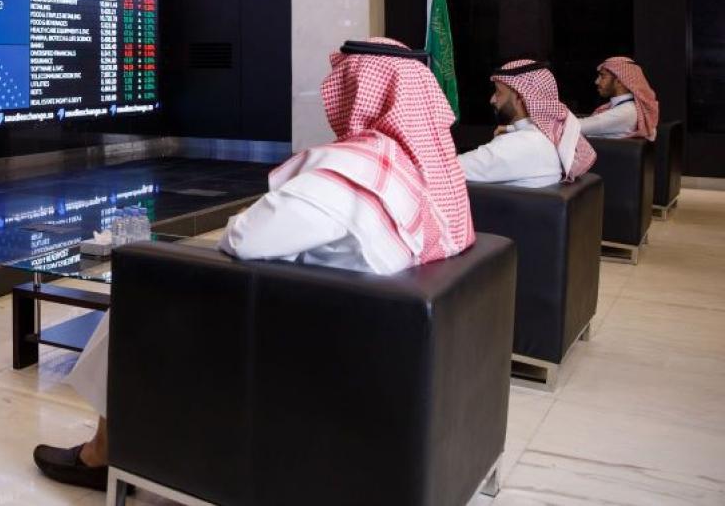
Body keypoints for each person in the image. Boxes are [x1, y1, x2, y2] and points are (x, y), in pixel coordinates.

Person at [32, 38, 476, 492]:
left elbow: (243, 237)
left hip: (305, 340)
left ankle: (104, 452)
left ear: (363, 91)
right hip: (358, 332)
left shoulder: (358, 173)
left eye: (344, 83)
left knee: (142, 289)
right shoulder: (418, 168)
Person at [458, 60, 596, 188]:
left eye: (498, 92)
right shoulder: (552, 137)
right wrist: (511, 128)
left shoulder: (517, 145)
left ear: (519, 97)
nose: (492, 100)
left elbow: (450, 170)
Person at [579, 56, 659, 140]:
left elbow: (577, 127)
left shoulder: (626, 111)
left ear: (619, 81)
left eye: (603, 76)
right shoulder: (625, 107)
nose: (597, 82)